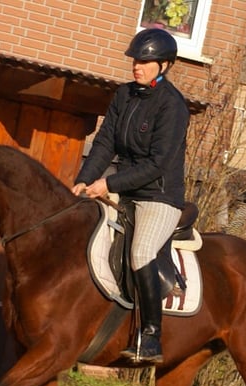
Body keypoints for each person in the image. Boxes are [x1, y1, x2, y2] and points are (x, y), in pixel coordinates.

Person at [71, 28, 190, 364]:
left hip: (159, 197)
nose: (137, 66)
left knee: (140, 253)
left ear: (164, 65)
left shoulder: (174, 106)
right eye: (136, 60)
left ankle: (151, 335)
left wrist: (108, 185)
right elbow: (105, 142)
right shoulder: (123, 95)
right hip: (123, 189)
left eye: (146, 61)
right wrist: (84, 179)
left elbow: (157, 164)